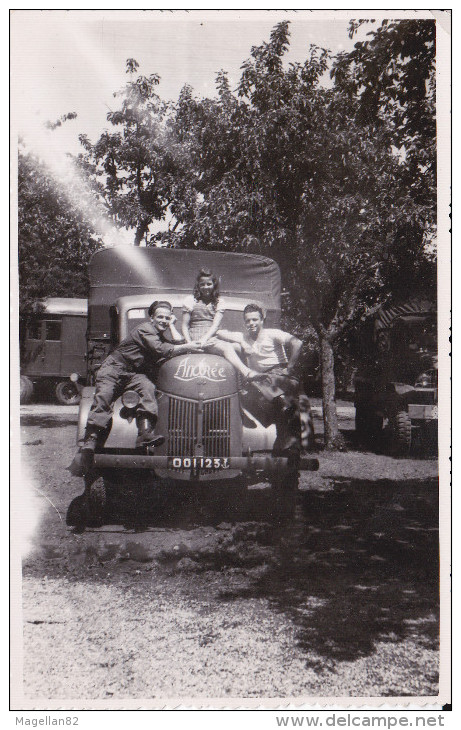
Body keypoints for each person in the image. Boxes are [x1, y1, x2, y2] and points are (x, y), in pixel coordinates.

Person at [74, 301, 202, 473]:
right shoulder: (146, 329)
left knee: (147, 387)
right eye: (160, 317)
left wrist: (172, 326)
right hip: (114, 369)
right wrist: (187, 346)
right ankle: (91, 439)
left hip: (133, 374)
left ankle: (144, 433)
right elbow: (162, 350)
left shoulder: (159, 333)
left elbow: (175, 343)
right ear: (152, 318)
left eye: (167, 317)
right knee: (104, 395)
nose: (163, 320)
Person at [212, 303, 303, 458]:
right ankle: (276, 433)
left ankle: (286, 445)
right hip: (259, 379)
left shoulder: (273, 333)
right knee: (243, 394)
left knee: (284, 408)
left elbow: (297, 343)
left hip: (277, 374)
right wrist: (241, 343)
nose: (251, 324)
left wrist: (289, 368)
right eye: (248, 321)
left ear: (262, 320)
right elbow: (220, 333)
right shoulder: (243, 337)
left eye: (255, 320)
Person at [182, 269, 262, 380]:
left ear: (214, 285)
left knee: (238, 347)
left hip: (210, 336)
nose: (206, 287)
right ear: (198, 286)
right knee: (227, 347)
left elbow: (215, 325)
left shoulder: (219, 302)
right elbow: (185, 326)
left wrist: (205, 339)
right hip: (195, 336)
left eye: (209, 284)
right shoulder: (191, 300)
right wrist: (189, 344)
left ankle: (241, 382)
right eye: (202, 284)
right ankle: (247, 373)